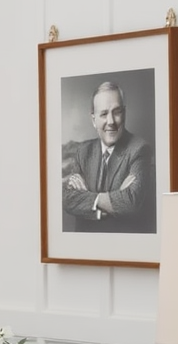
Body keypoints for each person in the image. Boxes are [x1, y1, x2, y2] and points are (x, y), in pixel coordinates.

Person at [61, 80, 156, 234]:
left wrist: (87, 198)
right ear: (93, 120)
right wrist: (111, 201)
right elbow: (68, 200)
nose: (111, 121)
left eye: (116, 112)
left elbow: (131, 202)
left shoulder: (140, 149)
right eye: (104, 114)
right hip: (83, 247)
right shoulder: (82, 152)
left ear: (124, 113)